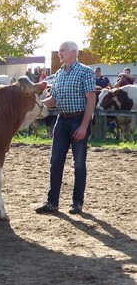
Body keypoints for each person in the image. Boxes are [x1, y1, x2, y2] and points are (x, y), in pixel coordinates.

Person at [35, 41, 96, 215]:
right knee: (55, 162)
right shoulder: (59, 73)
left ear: (73, 53)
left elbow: (91, 99)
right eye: (59, 50)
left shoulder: (86, 72)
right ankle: (52, 202)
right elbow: (53, 100)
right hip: (61, 120)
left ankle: (77, 202)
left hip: (79, 119)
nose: (59, 53)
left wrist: (84, 126)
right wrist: (36, 105)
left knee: (79, 164)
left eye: (62, 50)